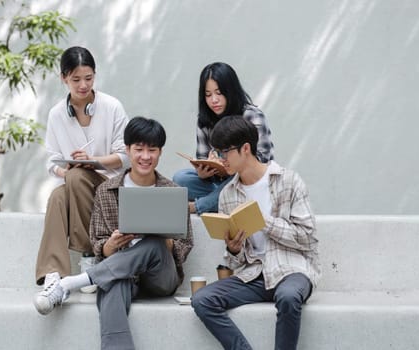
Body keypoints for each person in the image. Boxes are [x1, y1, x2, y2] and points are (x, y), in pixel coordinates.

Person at [33, 116, 194, 350]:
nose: (145, 156)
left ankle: (69, 284)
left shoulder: (173, 192)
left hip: (160, 277)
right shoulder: (106, 190)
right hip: (121, 273)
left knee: (154, 244)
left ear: (160, 152)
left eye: (152, 150)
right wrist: (112, 244)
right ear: (128, 150)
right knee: (113, 283)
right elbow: (98, 244)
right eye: (139, 149)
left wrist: (166, 241)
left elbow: (186, 244)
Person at [191, 116, 320, 350]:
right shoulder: (228, 195)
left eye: (224, 153)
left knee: (289, 297)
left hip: (291, 269)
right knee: (202, 300)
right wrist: (234, 249)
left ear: (246, 149)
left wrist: (265, 221)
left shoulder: (288, 181)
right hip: (254, 275)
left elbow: (307, 238)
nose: (220, 160)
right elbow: (235, 262)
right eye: (217, 152)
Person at [35, 46, 129, 289]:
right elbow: (51, 160)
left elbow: (125, 156)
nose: (83, 85)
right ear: (63, 78)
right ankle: (53, 273)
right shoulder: (57, 114)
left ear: (95, 76)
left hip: (109, 186)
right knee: (57, 196)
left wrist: (93, 160)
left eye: (88, 78)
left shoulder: (112, 107)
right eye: (75, 80)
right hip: (73, 183)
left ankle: (89, 254)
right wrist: (66, 171)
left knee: (76, 177)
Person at [173, 62, 274, 215]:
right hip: (219, 181)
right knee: (181, 178)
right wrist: (204, 170)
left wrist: (232, 161)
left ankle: (199, 206)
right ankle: (220, 200)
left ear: (231, 91)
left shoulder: (252, 116)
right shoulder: (204, 121)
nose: (214, 100)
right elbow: (203, 157)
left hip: (248, 179)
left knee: (236, 179)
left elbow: (263, 159)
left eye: (219, 93)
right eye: (208, 95)